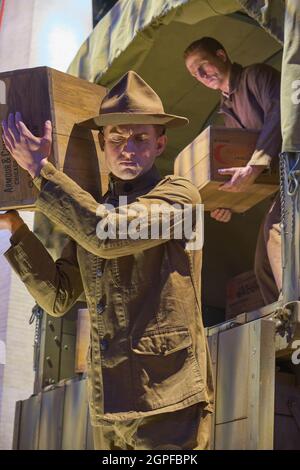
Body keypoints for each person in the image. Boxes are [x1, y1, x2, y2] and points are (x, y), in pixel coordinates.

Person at [0, 71, 213, 450]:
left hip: (168, 400)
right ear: (101, 143)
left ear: (160, 143)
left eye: (140, 137)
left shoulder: (181, 197)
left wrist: (40, 171)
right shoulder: (98, 210)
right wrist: (15, 226)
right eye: (116, 137)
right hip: (108, 404)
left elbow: (107, 234)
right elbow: (59, 296)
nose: (127, 148)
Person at [184, 37, 282, 305]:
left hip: (295, 175)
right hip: (281, 188)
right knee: (262, 265)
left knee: (277, 233)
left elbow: (281, 114)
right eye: (195, 74)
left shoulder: (258, 76)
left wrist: (254, 165)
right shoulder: (226, 110)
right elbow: (244, 164)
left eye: (203, 66)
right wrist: (229, 203)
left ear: (221, 54)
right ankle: (286, 325)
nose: (202, 76)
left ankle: (294, 314)